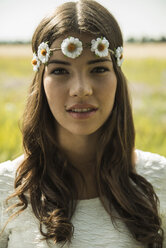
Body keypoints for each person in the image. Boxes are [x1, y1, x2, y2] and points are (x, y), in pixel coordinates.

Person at [0, 0, 165, 247]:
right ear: (41, 81)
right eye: (59, 71)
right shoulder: (5, 189)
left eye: (98, 69)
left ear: (117, 77)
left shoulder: (161, 178)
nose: (81, 89)